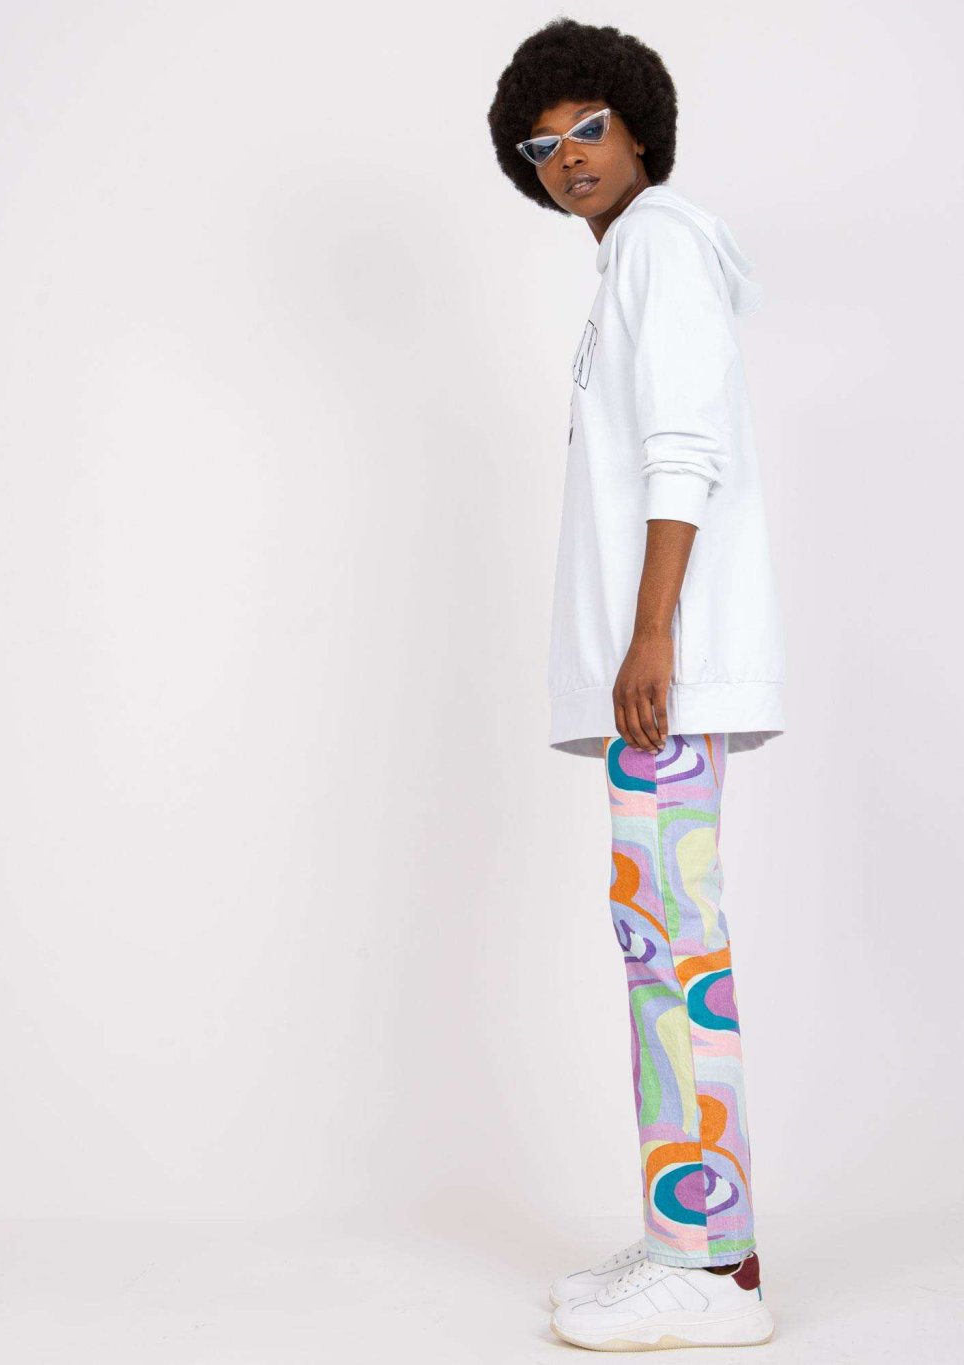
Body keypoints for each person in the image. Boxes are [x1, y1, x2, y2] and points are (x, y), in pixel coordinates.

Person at [487, 18, 785, 1353]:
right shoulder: (633, 262)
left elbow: (685, 446)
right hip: (652, 677)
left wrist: (651, 634)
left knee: (676, 953)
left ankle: (715, 1269)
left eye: (588, 128)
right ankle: (689, 1233)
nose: (567, 157)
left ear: (639, 127)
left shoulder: (660, 242)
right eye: (541, 145)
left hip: (662, 673)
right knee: (661, 945)